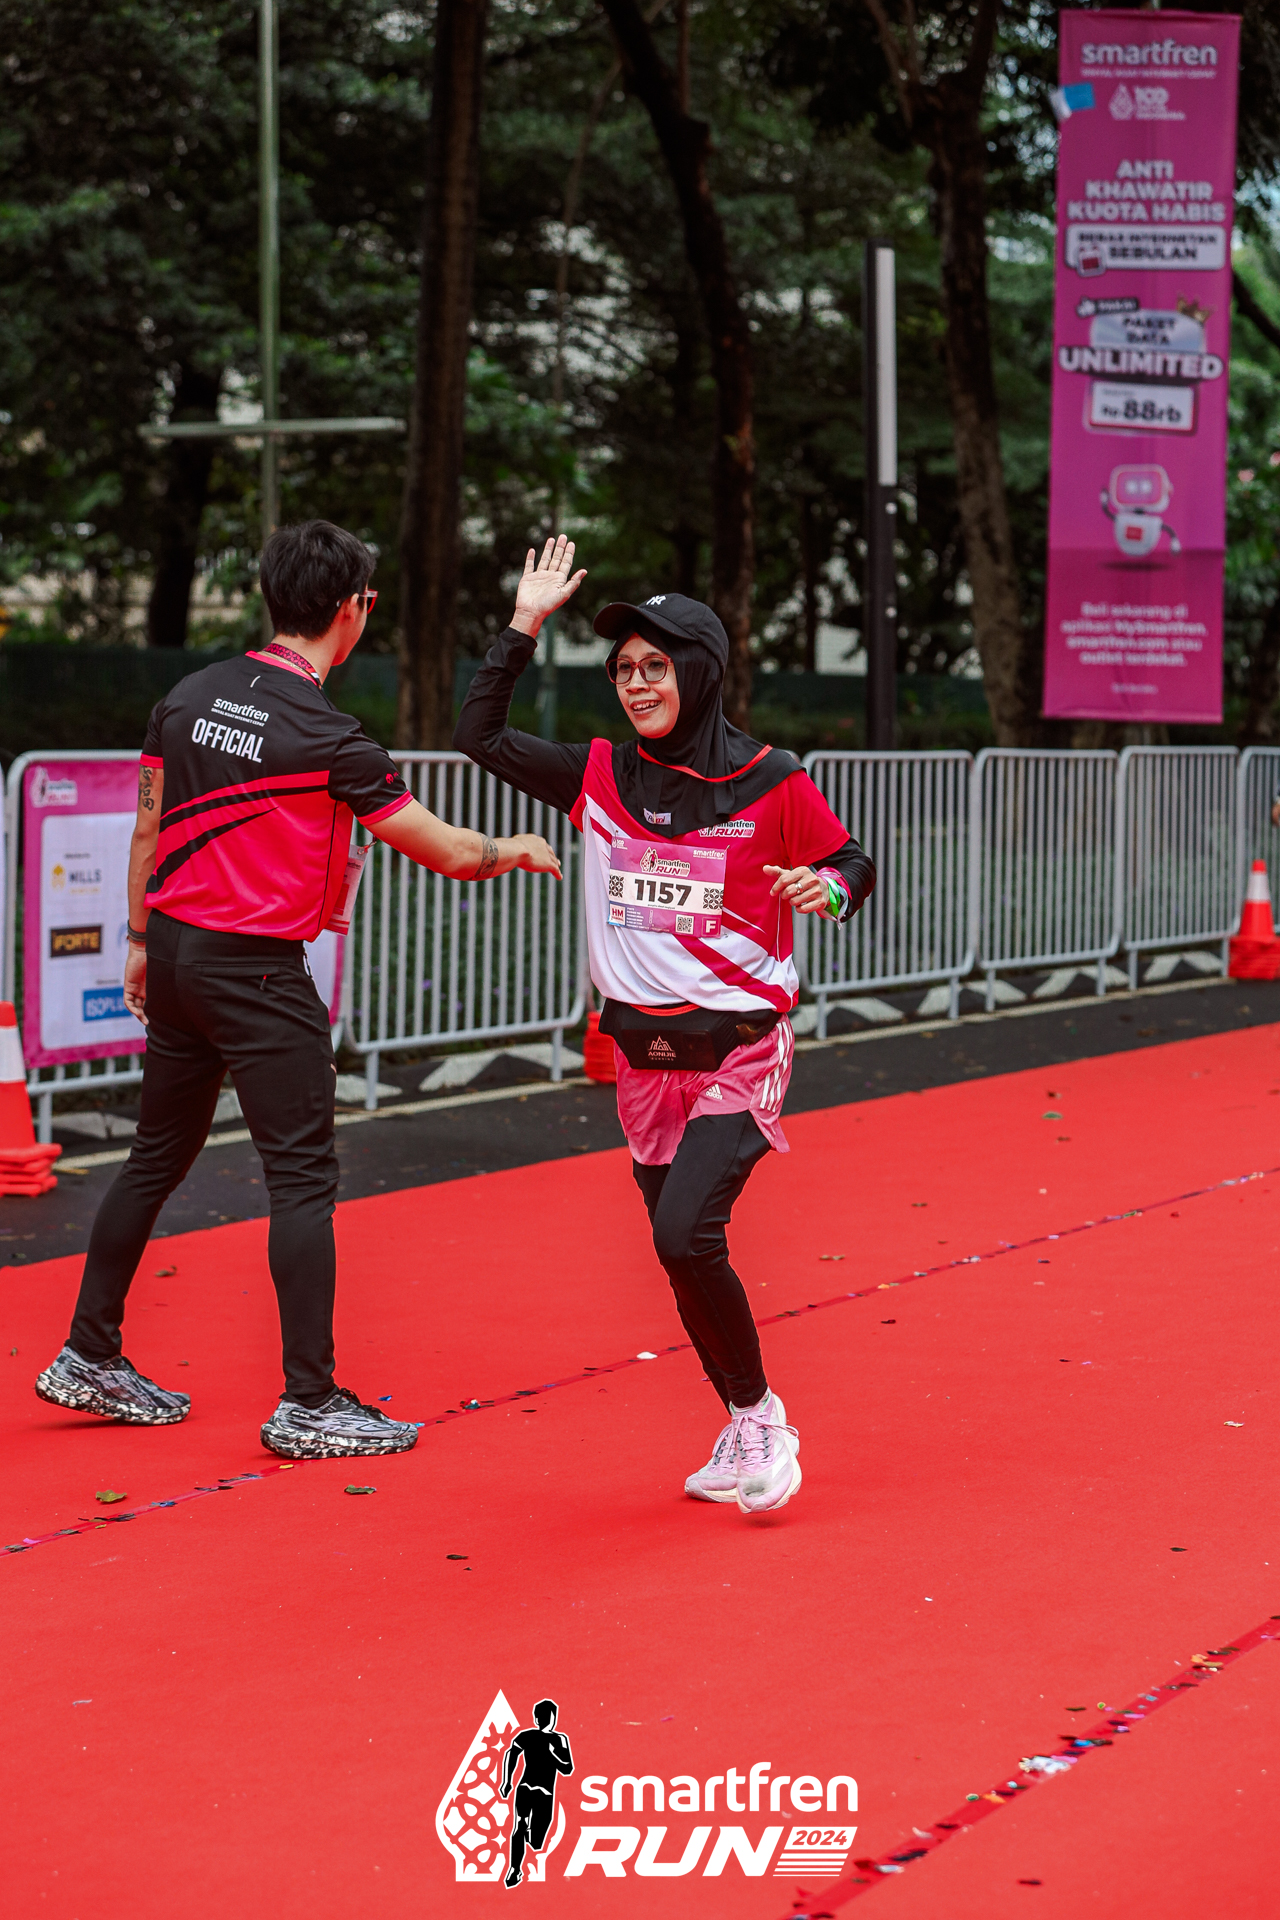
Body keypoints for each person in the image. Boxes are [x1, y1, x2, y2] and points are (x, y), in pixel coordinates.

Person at [35, 520, 562, 1459]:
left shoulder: (187, 696)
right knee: (303, 1180)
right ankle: (310, 1402)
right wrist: (512, 847)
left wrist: (141, 943)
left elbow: (147, 835)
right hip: (258, 971)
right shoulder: (329, 736)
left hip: (179, 954)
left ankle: (89, 1353)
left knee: (154, 1157)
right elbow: (445, 850)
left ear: (273, 598)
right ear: (354, 608)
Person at [455, 536, 875, 1514]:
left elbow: (851, 861)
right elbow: (479, 737)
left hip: (740, 1050)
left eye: (655, 666)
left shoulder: (771, 779)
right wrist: (522, 625)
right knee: (678, 1252)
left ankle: (764, 1421)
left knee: (687, 1234)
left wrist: (825, 889)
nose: (636, 684)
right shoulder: (596, 774)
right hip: (641, 1061)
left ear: (700, 670)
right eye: (623, 670)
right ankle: (742, 1420)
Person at [499, 1699, 573, 1888]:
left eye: (549, 1716)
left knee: (536, 1841)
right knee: (520, 1824)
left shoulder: (560, 1739)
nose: (547, 1719)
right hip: (528, 1788)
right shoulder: (528, 1736)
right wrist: (506, 1781)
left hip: (543, 1793)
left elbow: (567, 1768)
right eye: (543, 1716)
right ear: (537, 1718)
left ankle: (527, 1838)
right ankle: (515, 1868)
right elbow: (511, 1754)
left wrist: (551, 1755)